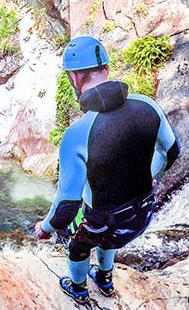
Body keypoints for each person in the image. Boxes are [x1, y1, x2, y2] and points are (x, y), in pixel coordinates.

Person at [34, 36, 180, 303]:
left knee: (80, 241)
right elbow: (171, 152)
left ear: (75, 78)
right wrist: (150, 174)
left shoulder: (77, 135)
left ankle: (78, 289)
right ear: (107, 69)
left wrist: (44, 228)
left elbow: (66, 207)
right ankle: (104, 278)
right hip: (141, 215)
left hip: (104, 223)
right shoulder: (148, 106)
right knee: (103, 232)